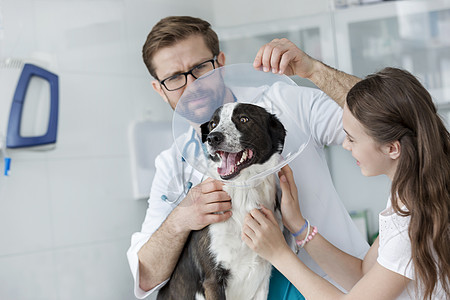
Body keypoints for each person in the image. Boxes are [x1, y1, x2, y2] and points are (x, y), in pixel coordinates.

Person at [126, 17, 369, 299]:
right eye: (174, 77)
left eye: (200, 68)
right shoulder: (172, 166)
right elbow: (146, 277)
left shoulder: (285, 104)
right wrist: (180, 219)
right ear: (159, 88)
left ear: (221, 63)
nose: (193, 85)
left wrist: (314, 70)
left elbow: (388, 119)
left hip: (339, 288)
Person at [242, 67, 450, 299]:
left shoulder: (411, 219)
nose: (346, 145)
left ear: (392, 148)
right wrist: (299, 227)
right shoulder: (412, 195)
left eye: (351, 138)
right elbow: (362, 275)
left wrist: (279, 254)